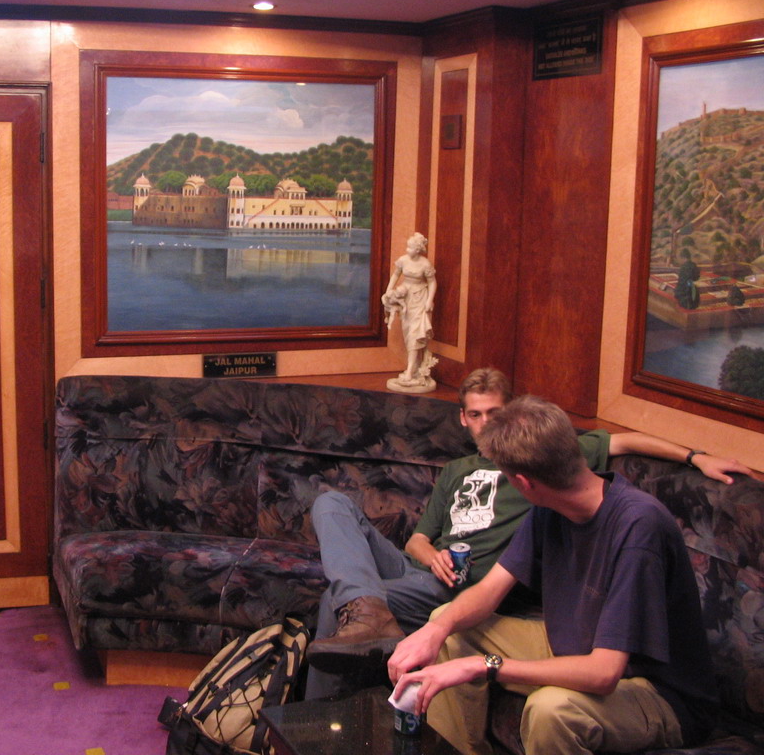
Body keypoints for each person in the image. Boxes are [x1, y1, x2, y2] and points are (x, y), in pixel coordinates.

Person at [305, 367, 751, 698]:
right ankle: (366, 610)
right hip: (428, 570)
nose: (484, 424)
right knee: (330, 502)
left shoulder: (556, 466)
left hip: (475, 586)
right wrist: (430, 562)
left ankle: (326, 700)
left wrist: (696, 457)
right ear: (462, 418)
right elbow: (418, 539)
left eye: (494, 413)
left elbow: (628, 441)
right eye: (475, 415)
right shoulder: (463, 472)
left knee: (340, 598)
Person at [388, 396, 720, 754]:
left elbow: (604, 673)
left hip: (658, 691)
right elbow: (490, 590)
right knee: (447, 622)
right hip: (576, 645)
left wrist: (483, 666)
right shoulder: (550, 506)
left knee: (551, 710)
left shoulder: (639, 526)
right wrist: (434, 631)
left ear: (524, 483)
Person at [383, 232, 437, 392]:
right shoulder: (403, 260)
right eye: (407, 246)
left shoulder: (425, 264)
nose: (407, 250)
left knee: (415, 333)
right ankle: (413, 369)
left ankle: (410, 370)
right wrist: (388, 290)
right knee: (407, 332)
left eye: (411, 247)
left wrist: (429, 301)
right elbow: (395, 275)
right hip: (405, 297)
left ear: (418, 249)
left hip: (420, 298)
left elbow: (433, 283)